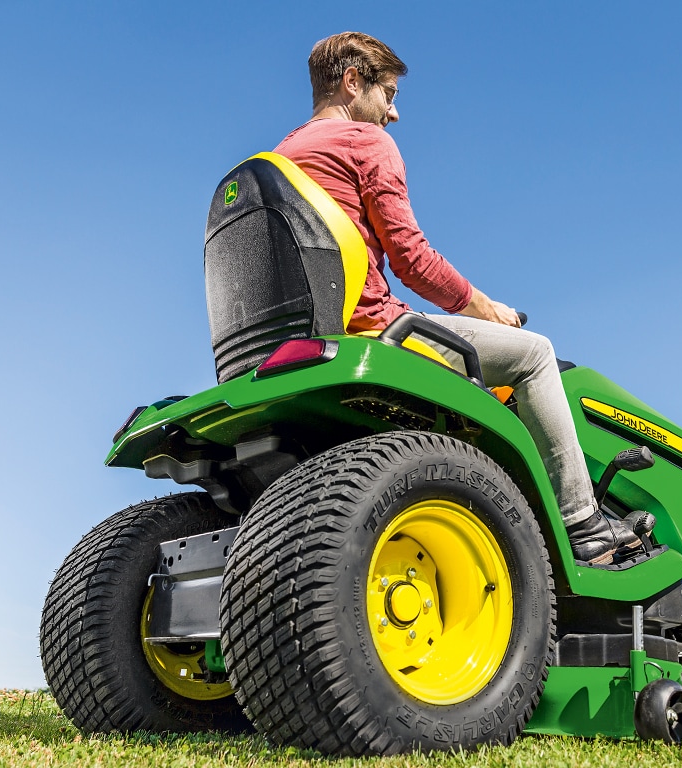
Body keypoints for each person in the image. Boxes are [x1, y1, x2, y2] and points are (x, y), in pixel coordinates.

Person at [273, 32, 645, 565]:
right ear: (353, 82)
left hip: (307, 335)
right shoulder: (363, 142)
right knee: (535, 355)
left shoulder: (282, 157)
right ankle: (583, 523)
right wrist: (487, 309)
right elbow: (411, 258)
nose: (394, 115)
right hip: (375, 329)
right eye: (390, 95)